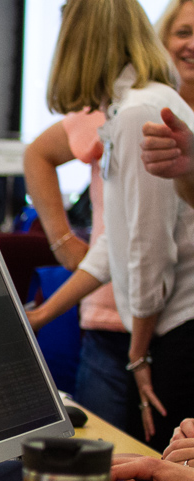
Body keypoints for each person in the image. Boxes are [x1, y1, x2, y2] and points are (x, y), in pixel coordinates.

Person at [25, 0, 194, 451]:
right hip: (166, 330)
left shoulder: (142, 112)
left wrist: (138, 356)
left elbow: (147, 251)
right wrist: (43, 313)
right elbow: (114, 244)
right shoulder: (130, 108)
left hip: (176, 335)